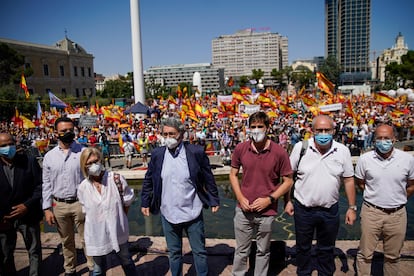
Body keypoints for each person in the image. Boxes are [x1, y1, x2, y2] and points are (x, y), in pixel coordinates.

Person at [140, 117, 220, 276]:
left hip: (193, 211)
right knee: (174, 252)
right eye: (165, 134)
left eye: (172, 134)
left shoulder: (195, 152)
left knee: (199, 251)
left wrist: (213, 199)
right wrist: (145, 201)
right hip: (168, 212)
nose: (168, 138)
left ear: (182, 134)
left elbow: (207, 176)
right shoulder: (157, 154)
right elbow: (149, 179)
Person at [284, 114, 357, 276]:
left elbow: (349, 180)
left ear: (333, 131)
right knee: (303, 247)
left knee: (327, 248)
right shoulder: (301, 148)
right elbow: (289, 176)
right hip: (304, 209)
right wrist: (287, 201)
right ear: (312, 131)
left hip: (329, 209)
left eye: (327, 130)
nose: (323, 134)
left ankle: (325, 273)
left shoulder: (342, 151)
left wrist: (352, 207)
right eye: (319, 130)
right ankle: (304, 273)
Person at [229, 111, 293, 275]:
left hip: (267, 210)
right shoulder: (241, 148)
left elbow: (288, 181)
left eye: (260, 127)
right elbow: (233, 174)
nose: (256, 130)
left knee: (263, 251)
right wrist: (240, 197)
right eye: (253, 127)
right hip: (244, 208)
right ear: (248, 129)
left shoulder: (279, 152)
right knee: (241, 250)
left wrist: (270, 199)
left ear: (267, 128)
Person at [355, 124, 414, 276]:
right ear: (374, 140)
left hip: (397, 214)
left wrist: (398, 198)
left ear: (394, 139)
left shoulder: (407, 160)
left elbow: (412, 185)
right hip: (371, 212)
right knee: (365, 255)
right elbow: (361, 182)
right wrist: (377, 196)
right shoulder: (365, 159)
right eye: (379, 138)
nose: (383, 141)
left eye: (386, 138)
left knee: (393, 257)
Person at [42, 117, 94, 276]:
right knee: (66, 241)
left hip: (80, 203)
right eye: (64, 131)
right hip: (59, 205)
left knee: (88, 239)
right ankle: (70, 268)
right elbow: (46, 183)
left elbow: (92, 178)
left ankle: (93, 268)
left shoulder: (84, 152)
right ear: (56, 133)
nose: (68, 133)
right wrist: (47, 208)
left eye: (70, 130)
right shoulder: (49, 156)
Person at [78, 147, 136, 276]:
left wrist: (119, 218)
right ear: (84, 166)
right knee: (97, 268)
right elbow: (86, 211)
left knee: (127, 261)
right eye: (89, 163)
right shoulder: (83, 187)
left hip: (118, 230)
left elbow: (127, 202)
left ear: (101, 160)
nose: (94, 166)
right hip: (96, 233)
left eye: (96, 161)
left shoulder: (116, 179)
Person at [0, 132, 43, 276]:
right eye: (4, 145)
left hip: (28, 214)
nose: (8, 147)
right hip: (4, 218)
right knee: (5, 254)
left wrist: (26, 205)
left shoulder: (29, 161)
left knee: (34, 251)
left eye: (11, 143)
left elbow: (40, 186)